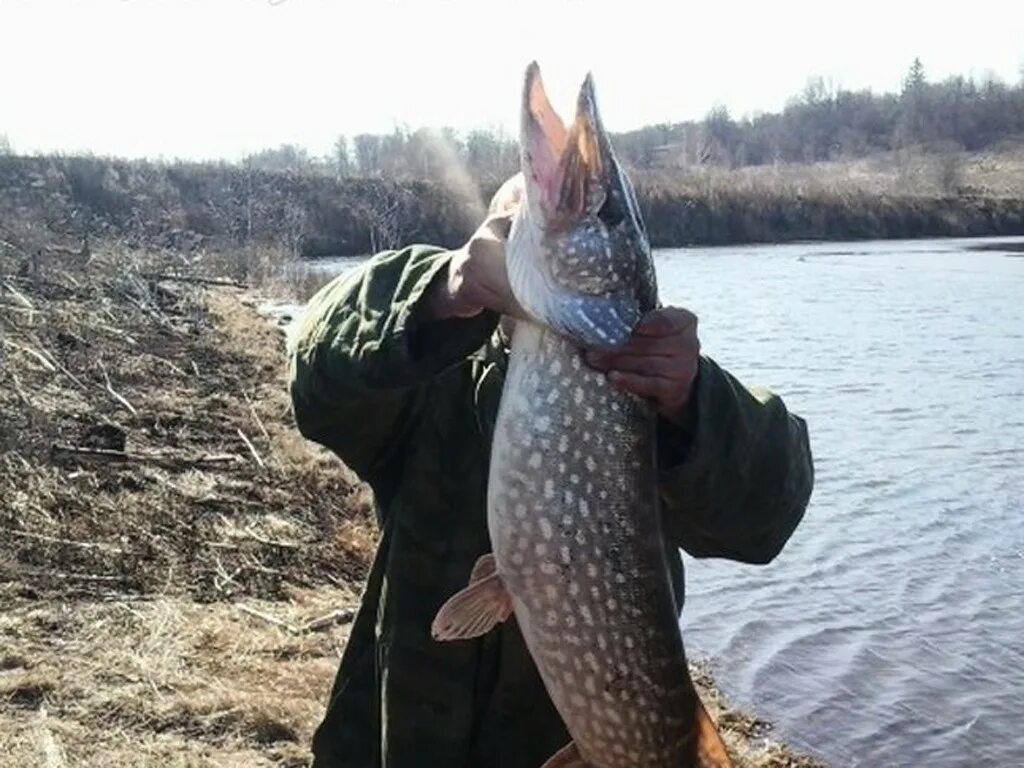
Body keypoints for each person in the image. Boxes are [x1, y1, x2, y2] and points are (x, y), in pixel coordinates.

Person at [287, 180, 814, 768]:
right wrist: (438, 291)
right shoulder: (425, 379)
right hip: (400, 741)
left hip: (606, 731)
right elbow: (315, 372)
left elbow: (767, 518)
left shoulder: (650, 396)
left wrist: (695, 400)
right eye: (512, 231)